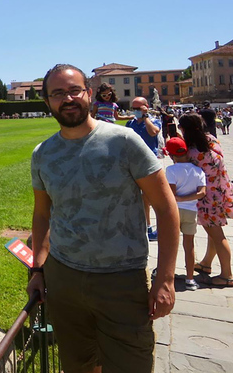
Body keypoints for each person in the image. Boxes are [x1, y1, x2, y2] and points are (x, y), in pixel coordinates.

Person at [28, 64, 179, 373]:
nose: (67, 99)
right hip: (64, 278)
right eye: (57, 93)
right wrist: (38, 270)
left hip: (121, 281)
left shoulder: (124, 142)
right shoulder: (42, 154)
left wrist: (165, 279)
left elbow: (166, 208)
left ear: (89, 94)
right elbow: (43, 214)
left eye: (74, 90)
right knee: (77, 366)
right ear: (47, 102)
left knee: (130, 366)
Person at [178, 112, 233, 287]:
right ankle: (207, 263)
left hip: (206, 197)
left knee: (217, 235)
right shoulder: (211, 140)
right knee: (213, 233)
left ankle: (227, 275)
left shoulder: (192, 151)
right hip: (219, 191)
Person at [164, 136, 207, 291]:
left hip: (174, 211)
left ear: (171, 155)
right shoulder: (198, 170)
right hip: (191, 211)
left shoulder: (171, 170)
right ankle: (190, 279)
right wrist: (187, 198)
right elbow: (202, 193)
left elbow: (172, 194)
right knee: (189, 246)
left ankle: (165, 275)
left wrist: (179, 198)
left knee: (169, 245)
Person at [127, 97, 163, 240]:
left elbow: (153, 132)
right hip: (132, 161)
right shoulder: (130, 123)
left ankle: (154, 227)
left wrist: (146, 117)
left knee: (150, 197)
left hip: (149, 162)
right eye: (134, 108)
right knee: (140, 198)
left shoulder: (153, 121)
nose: (136, 111)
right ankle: (147, 227)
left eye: (138, 108)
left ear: (146, 107)